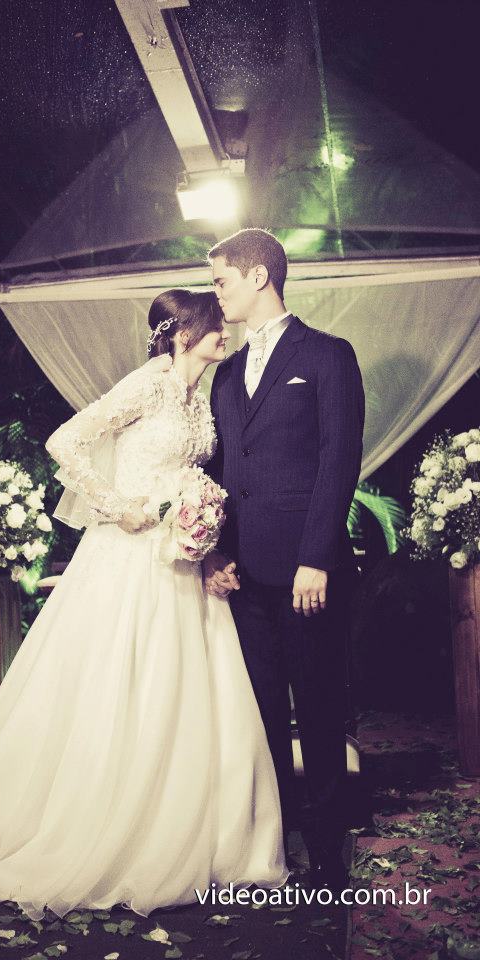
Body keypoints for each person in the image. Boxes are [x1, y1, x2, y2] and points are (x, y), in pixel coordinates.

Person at [0, 288, 290, 922]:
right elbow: (66, 441)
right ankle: (101, 821)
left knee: (182, 686)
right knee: (120, 682)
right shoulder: (149, 384)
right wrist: (119, 507)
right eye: (214, 324)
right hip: (129, 555)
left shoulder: (202, 397)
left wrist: (199, 526)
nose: (225, 332)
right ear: (182, 334)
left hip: (178, 560)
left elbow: (191, 472)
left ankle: (183, 824)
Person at [203, 229, 365, 892]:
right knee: (262, 711)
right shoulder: (225, 372)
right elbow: (216, 470)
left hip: (306, 571)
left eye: (221, 281)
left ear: (259, 276)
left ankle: (327, 849)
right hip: (242, 574)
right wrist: (214, 552)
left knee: (319, 707)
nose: (216, 294)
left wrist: (316, 557)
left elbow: (339, 460)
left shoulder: (327, 355)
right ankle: (277, 839)